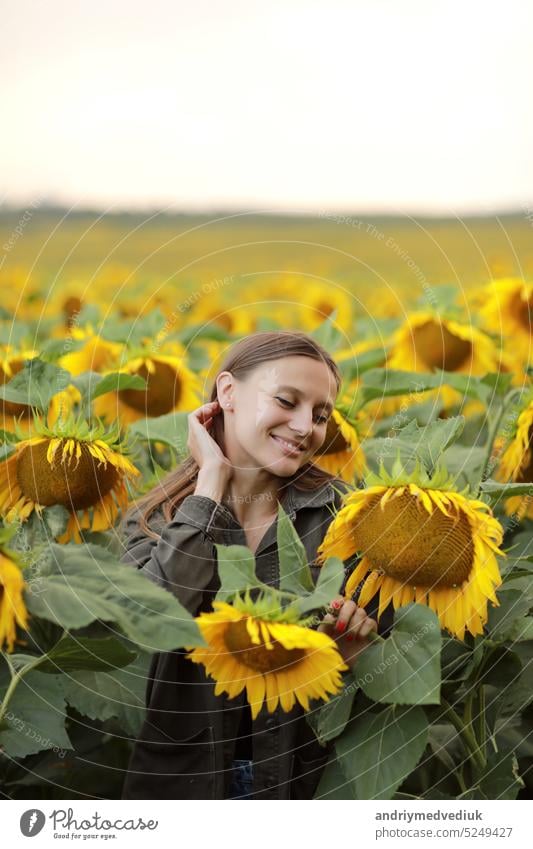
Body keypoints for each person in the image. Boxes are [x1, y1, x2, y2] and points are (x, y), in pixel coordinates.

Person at [120, 330, 377, 800]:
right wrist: (210, 485)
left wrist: (351, 656)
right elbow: (149, 623)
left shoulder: (345, 519)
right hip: (184, 788)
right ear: (228, 392)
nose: (305, 427)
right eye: (286, 400)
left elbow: (384, 677)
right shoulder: (157, 519)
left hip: (300, 784)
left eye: (321, 416)